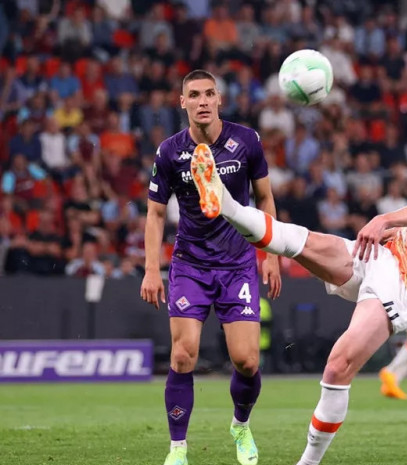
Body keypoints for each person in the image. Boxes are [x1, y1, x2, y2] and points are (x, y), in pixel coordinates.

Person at [190, 106, 407, 465]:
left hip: (406, 283)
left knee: (337, 366)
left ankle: (308, 463)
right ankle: (225, 203)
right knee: (299, 240)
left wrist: (384, 219)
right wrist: (393, 231)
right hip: (383, 256)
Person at [140, 69, 282, 465]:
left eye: (208, 94)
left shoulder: (246, 141)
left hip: (238, 263)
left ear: (220, 99)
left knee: (247, 361)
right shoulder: (170, 151)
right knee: (183, 354)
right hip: (191, 264)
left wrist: (271, 254)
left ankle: (240, 425)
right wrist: (151, 269)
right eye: (194, 95)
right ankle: (178, 449)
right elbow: (154, 214)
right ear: (182, 102)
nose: (202, 101)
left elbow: (265, 198)